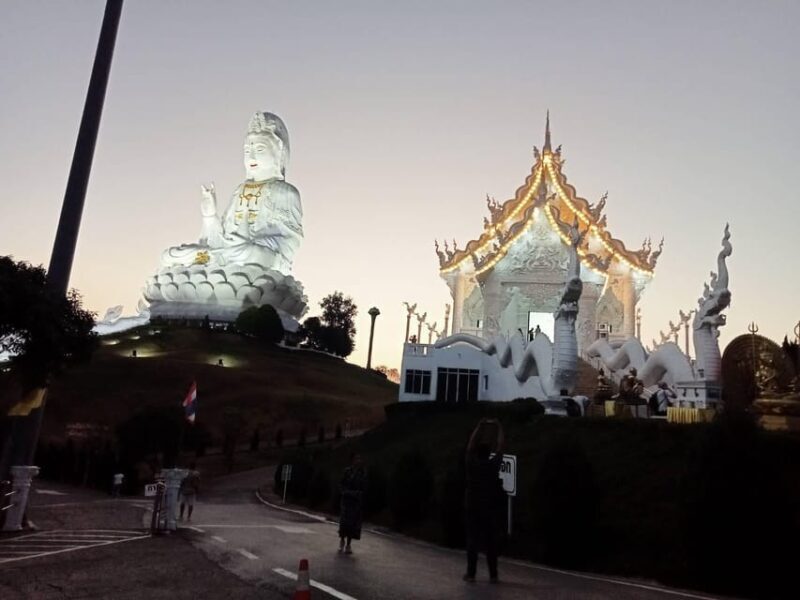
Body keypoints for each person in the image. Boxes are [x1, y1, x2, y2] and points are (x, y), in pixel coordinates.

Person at [464, 418, 505, 583]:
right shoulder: (492, 466)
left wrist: (479, 427)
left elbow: (470, 446)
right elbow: (501, 446)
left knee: (472, 540)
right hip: (489, 507)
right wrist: (499, 427)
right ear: (490, 454)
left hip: (472, 505)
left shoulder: (471, 464)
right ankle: (493, 575)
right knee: (490, 542)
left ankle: (471, 574)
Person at [338, 453, 366, 554]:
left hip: (355, 502)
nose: (358, 461)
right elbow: (341, 484)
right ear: (352, 461)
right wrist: (344, 492)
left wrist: (360, 494)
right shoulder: (347, 472)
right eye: (356, 459)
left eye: (360, 459)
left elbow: (364, 486)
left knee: (352, 524)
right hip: (346, 501)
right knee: (344, 523)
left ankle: (348, 544)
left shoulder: (362, 473)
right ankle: (342, 540)